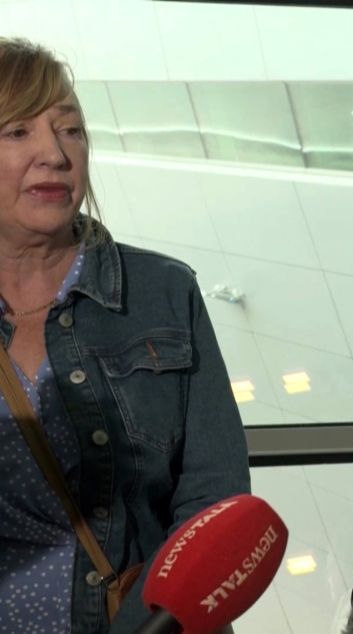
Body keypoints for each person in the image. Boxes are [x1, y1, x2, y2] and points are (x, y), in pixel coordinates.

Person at [0, 38, 249, 633]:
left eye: (71, 130)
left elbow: (212, 502)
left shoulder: (164, 292)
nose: (55, 154)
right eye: (18, 132)